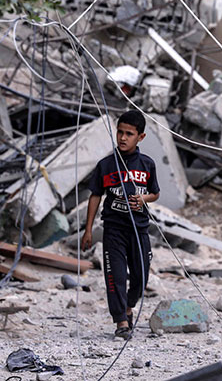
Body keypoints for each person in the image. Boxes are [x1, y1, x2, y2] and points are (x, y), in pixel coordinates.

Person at [81, 110, 160, 339]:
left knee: (141, 275)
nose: (123, 138)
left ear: (140, 137)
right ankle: (121, 321)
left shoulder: (147, 164)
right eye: (120, 132)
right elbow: (95, 196)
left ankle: (129, 306)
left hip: (139, 229)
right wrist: (88, 230)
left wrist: (142, 199)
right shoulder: (106, 165)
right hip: (113, 229)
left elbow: (155, 193)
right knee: (115, 276)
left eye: (129, 134)